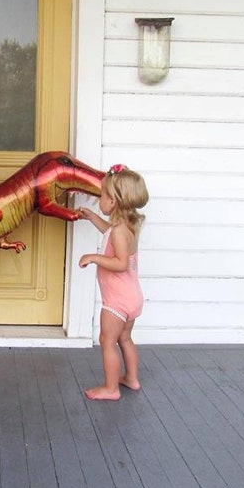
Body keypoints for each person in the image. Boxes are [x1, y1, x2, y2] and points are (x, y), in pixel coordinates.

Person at [77, 164, 149, 400]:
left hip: (117, 302)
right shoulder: (125, 227)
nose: (100, 199)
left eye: (102, 196)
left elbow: (120, 263)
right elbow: (109, 233)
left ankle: (111, 389)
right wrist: (92, 217)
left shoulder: (119, 231)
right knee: (124, 338)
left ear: (114, 201)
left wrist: (94, 257)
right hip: (132, 298)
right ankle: (131, 379)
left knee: (107, 341)